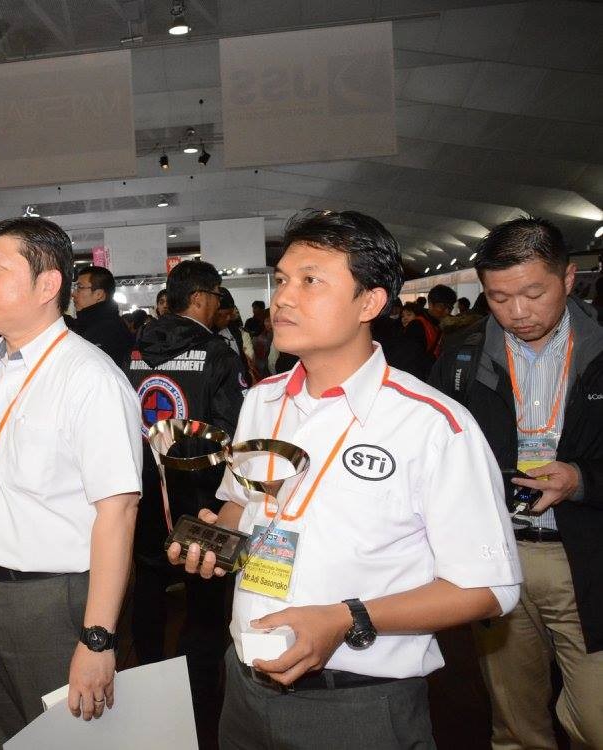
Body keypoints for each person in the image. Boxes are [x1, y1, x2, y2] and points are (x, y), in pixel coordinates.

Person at [168, 209, 521, 749]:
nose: (284, 298)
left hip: (358, 703)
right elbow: (244, 505)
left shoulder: (432, 425)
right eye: (283, 279)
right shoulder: (262, 401)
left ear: (370, 302)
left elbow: (488, 588)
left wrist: (347, 617)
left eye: (311, 281)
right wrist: (217, 537)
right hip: (243, 686)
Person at [0, 217, 142, 748]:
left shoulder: (89, 377)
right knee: (7, 736)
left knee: (72, 741)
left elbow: (118, 510)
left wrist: (97, 638)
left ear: (48, 285)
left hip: (55, 599)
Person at [430, 216, 603, 749]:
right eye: (499, 298)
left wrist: (581, 479)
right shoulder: (461, 356)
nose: (518, 312)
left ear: (568, 279)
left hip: (584, 556)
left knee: (595, 721)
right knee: (514, 723)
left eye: (533, 293)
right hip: (497, 554)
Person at [126, 260, 247, 715]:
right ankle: (199, 702)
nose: (219, 304)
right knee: (205, 598)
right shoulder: (217, 355)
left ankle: (146, 686)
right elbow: (234, 431)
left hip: (142, 494)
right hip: (203, 500)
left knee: (147, 586)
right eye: (216, 295)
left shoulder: (132, 352)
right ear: (198, 298)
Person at [71, 265, 135, 369]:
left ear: (99, 294)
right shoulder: (88, 324)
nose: (73, 294)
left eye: (80, 287)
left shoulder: (109, 330)